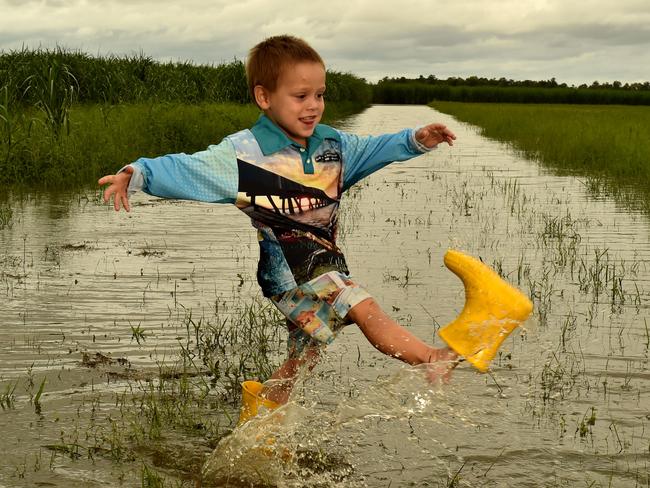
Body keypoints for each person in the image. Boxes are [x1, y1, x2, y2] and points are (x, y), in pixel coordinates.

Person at [99, 35, 458, 408]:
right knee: (359, 304)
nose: (313, 106)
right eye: (300, 96)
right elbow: (187, 167)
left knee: (303, 359)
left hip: (324, 261)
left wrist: (416, 140)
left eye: (319, 95)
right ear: (264, 97)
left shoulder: (332, 146)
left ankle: (261, 415)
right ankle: (429, 359)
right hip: (289, 271)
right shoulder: (243, 156)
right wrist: (137, 173)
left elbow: (373, 148)